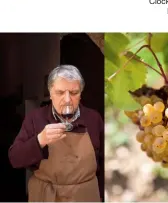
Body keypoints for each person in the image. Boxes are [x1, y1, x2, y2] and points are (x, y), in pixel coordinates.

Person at [9, 65, 103, 202]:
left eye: (74, 93)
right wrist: (39, 140)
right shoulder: (35, 118)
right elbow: (15, 159)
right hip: (46, 197)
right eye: (60, 92)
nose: (67, 99)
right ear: (50, 93)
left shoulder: (93, 118)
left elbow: (105, 162)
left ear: (81, 93)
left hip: (84, 197)